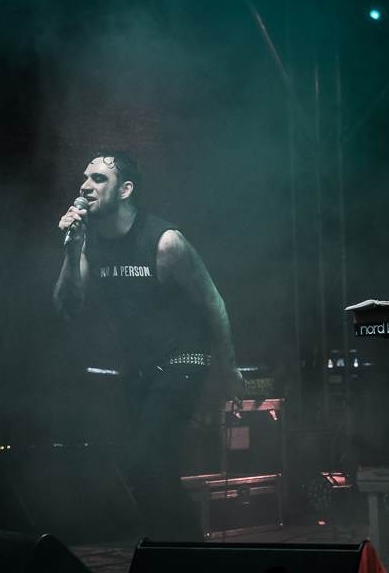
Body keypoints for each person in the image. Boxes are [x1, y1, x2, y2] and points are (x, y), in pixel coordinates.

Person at [53, 150, 242, 541]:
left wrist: (228, 368)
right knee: (142, 472)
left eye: (98, 178)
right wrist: (72, 249)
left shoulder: (165, 242)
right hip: (140, 370)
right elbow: (67, 308)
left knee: (146, 462)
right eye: (84, 178)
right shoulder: (87, 242)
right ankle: (178, 551)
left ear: (125, 189)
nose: (85, 186)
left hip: (185, 359)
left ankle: (186, 554)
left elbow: (214, 302)